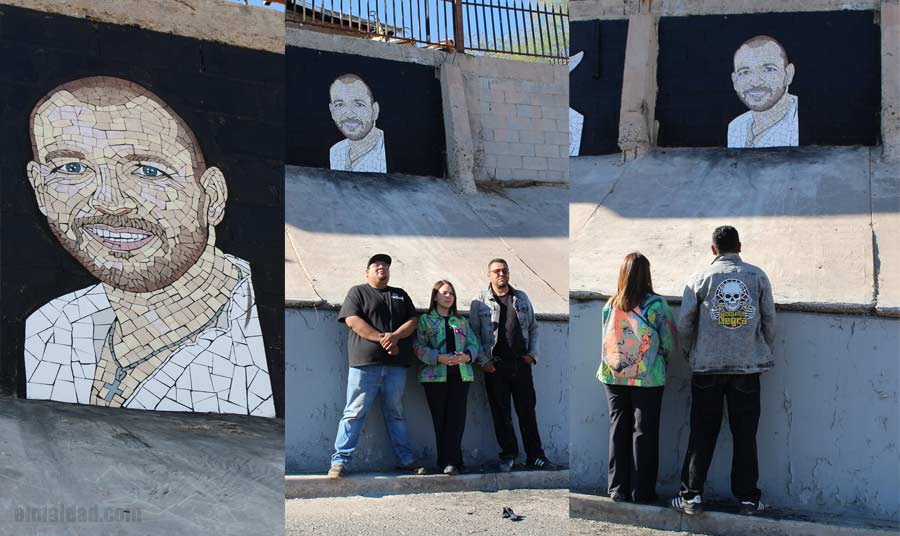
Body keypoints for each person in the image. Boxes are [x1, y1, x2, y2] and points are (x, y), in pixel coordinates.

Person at [24, 76, 273, 416]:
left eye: (148, 171)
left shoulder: (255, 332)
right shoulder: (49, 327)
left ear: (212, 197)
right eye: (72, 168)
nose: (110, 202)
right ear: (40, 189)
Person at [671, 226, 776, 516]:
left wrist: (691, 353)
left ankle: (691, 496)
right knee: (745, 435)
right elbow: (769, 320)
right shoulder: (758, 277)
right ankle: (748, 499)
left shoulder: (700, 278)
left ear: (713, 249)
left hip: (707, 367)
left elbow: (684, 323)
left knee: (702, 433)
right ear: (739, 246)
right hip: (747, 367)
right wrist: (763, 354)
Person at [329, 254, 422, 478]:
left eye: (385, 265)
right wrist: (384, 339)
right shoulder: (357, 292)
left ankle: (406, 460)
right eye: (376, 265)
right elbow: (353, 321)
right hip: (364, 365)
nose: (382, 268)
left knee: (395, 413)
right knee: (354, 412)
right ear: (367, 272)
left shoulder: (400, 294)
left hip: (396, 366)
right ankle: (339, 462)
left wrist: (395, 336)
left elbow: (413, 320)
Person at [598, 253, 677, 503]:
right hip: (647, 377)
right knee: (644, 432)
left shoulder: (610, 305)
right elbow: (669, 342)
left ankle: (617, 488)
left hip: (613, 376)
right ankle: (642, 491)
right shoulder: (656, 305)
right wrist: (659, 361)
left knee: (618, 429)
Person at [470, 258, 559, 472]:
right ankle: (508, 455)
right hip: (495, 366)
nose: (501, 274)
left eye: (504, 270)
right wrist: (483, 362)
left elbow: (534, 328)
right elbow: (473, 334)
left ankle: (535, 456)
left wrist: (532, 355)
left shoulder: (521, 297)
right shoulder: (479, 301)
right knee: (501, 414)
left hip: (520, 364)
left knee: (527, 412)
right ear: (489, 275)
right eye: (496, 271)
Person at [413, 280, 480, 475]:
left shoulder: (461, 321)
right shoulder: (425, 320)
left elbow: (474, 343)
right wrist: (438, 358)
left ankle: (453, 461)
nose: (448, 296)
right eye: (444, 293)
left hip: (461, 375)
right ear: (435, 297)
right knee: (440, 419)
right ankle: (445, 461)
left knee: (456, 419)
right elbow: (418, 346)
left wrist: (467, 356)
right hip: (435, 377)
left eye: (451, 293)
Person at [727, 35, 798, 148]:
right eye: (745, 72)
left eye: (768, 69)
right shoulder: (736, 127)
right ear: (735, 81)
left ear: (788, 74)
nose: (756, 82)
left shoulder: (797, 124)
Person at [328, 74, 387, 173]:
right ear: (332, 111)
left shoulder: (384, 152)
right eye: (340, 104)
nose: (349, 114)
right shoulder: (335, 151)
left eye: (359, 104)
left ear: (375, 111)